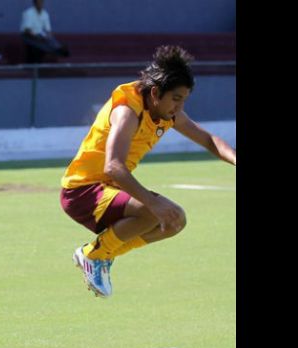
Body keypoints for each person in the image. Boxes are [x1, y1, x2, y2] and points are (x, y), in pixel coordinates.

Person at [60, 45, 236, 298]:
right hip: (82, 191)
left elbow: (209, 140)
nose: (179, 107)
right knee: (153, 212)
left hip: (109, 189)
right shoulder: (127, 112)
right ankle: (94, 254)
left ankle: (101, 253)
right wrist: (153, 203)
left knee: (174, 221)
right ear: (155, 92)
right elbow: (113, 166)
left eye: (184, 100)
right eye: (176, 99)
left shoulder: (167, 112)